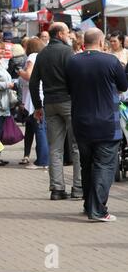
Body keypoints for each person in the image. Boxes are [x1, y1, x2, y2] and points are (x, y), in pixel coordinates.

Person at [66, 28, 128, 221]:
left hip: (81, 122)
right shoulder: (111, 61)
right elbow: (123, 86)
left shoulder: (72, 61)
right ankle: (98, 210)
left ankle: (89, 205)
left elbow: (69, 88)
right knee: (104, 166)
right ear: (101, 42)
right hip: (106, 123)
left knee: (87, 165)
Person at [29, 22, 82, 201]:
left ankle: (57, 189)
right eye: (67, 32)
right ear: (59, 34)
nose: (69, 35)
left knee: (55, 148)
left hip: (50, 103)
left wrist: (37, 106)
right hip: (68, 101)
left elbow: (33, 82)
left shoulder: (42, 54)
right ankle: (78, 187)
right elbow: (75, 78)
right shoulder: (68, 52)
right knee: (76, 146)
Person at [17, 38, 49, 169]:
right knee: (39, 128)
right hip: (41, 94)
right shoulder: (42, 56)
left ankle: (42, 160)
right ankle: (43, 159)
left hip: (33, 97)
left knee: (39, 128)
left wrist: (19, 72)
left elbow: (29, 76)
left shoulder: (32, 56)